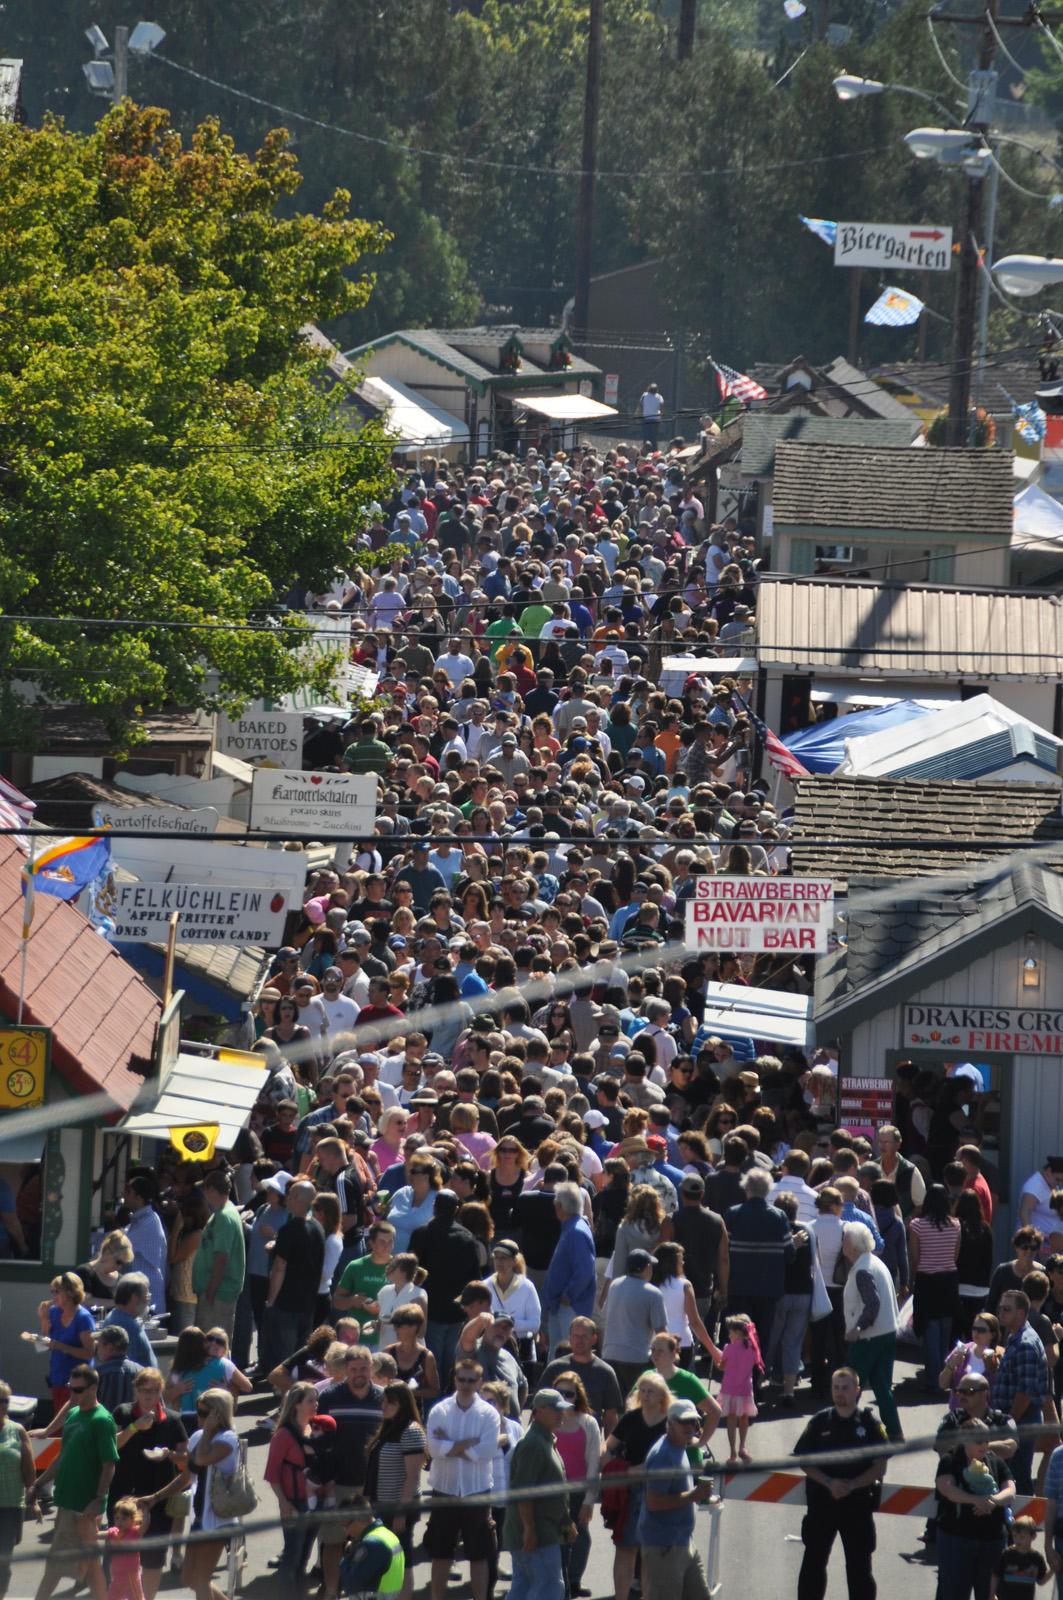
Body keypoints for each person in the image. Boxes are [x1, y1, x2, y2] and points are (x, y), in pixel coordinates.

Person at [794, 1367, 888, 1600]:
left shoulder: (870, 1424)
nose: (840, 1393)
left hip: (857, 1506)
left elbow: (880, 1466)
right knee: (813, 1565)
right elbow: (804, 1461)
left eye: (845, 1388)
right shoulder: (819, 1422)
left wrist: (852, 1485)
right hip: (822, 1504)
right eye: (836, 1387)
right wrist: (829, 1482)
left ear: (857, 1391)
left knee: (859, 1570)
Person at [29, 1364, 119, 1600]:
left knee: (55, 1567)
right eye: (70, 1388)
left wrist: (98, 1500)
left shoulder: (102, 1420)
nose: (72, 1394)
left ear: (92, 1388)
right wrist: (38, 1485)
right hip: (66, 1502)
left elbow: (109, 1463)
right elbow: (63, 1455)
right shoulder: (72, 1414)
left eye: (77, 1390)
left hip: (83, 1508)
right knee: (91, 1568)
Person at [111, 1367, 189, 1600]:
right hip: (124, 1495)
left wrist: (170, 1454)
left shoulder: (172, 1419)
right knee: (120, 1555)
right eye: (144, 1390)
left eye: (154, 1390)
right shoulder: (123, 1413)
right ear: (136, 1390)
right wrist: (135, 1428)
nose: (148, 1395)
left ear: (161, 1392)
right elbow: (112, 1445)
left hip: (158, 1498)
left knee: (153, 1556)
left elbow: (185, 1457)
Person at [425, 1358, 499, 1600]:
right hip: (444, 1490)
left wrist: (449, 1443)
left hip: (476, 1492)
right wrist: (467, 1444)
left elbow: (485, 1454)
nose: (466, 1385)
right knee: (441, 1553)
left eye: (471, 1380)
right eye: (462, 1379)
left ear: (479, 1382)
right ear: (455, 1380)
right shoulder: (439, 1410)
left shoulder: (489, 1414)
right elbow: (434, 1451)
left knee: (478, 1554)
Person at [316, 1346, 384, 1600]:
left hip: (372, 1483)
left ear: (371, 1368)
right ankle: (332, 1592)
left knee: (369, 1544)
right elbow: (320, 1441)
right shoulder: (329, 1398)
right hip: (338, 1482)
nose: (358, 1373)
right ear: (345, 1370)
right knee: (333, 1541)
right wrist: (326, 1479)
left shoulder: (383, 1398)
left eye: (363, 1368)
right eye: (353, 1369)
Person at [602, 1372, 670, 1600]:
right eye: (642, 1390)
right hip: (630, 1493)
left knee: (650, 1553)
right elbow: (608, 1446)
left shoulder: (671, 1422)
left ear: (662, 1395)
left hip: (658, 1492)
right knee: (625, 1548)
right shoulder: (631, 1418)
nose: (646, 1395)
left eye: (651, 1391)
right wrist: (611, 1466)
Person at [501, 1389, 573, 1600]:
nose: (561, 1413)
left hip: (543, 1530)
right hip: (537, 1535)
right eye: (555, 1409)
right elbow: (523, 1492)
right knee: (550, 1588)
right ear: (539, 1411)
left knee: (522, 1590)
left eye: (563, 1409)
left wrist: (566, 1524)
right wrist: (530, 1531)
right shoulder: (533, 1443)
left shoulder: (544, 1439)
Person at [638, 1398, 713, 1600]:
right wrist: (693, 1496)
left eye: (694, 1422)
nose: (690, 1426)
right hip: (664, 1546)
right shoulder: (663, 1455)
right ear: (670, 1423)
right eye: (684, 1422)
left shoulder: (679, 1447)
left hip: (683, 1542)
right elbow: (653, 1502)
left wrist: (696, 1496)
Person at [935, 1417, 1015, 1600]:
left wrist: (992, 1500)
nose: (984, 1445)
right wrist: (975, 1500)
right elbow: (947, 1488)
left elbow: (1010, 1490)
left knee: (988, 1594)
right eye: (979, 1441)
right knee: (954, 1593)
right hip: (956, 1540)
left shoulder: (994, 1461)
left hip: (992, 1541)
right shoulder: (950, 1460)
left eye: (987, 1440)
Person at [363, 1380, 426, 1600]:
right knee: (386, 1559)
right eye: (383, 1402)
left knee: (402, 1558)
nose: (384, 1406)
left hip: (398, 1507)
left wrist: (401, 1511)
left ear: (404, 1405)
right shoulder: (388, 1428)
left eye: (391, 1403)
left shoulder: (410, 1431)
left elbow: (413, 1476)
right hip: (380, 1506)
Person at [724, 1168, 795, 1362]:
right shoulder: (779, 1216)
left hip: (738, 1288)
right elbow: (790, 1255)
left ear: (746, 1188)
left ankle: (737, 1378)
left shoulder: (733, 1214)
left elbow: (723, 1253)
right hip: (768, 1290)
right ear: (768, 1190)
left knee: (738, 1336)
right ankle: (756, 1381)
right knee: (761, 1338)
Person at [841, 1221, 903, 1442]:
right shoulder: (875, 1262)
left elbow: (872, 1303)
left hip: (868, 1337)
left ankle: (843, 1429)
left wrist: (858, 1327)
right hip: (887, 1332)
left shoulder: (862, 1270)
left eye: (845, 1239)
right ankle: (895, 1431)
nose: (842, 1243)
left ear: (854, 1245)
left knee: (848, 1384)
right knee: (881, 1385)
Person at [259, 1177, 326, 1375]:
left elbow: (279, 1267)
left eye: (290, 1195)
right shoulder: (318, 1228)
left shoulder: (289, 1230)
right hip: (308, 1304)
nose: (287, 1199)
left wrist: (271, 1301)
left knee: (285, 1358)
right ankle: (297, 1395)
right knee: (301, 1356)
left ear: (296, 1197)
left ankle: (286, 1396)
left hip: (287, 1304)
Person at [550, 1372, 601, 1600]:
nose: (563, 1397)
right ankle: (557, 1583)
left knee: (579, 1537)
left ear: (577, 1396)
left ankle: (573, 1581)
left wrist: (589, 1501)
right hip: (551, 1492)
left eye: (568, 1394)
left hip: (578, 1492)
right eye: (559, 1392)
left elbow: (593, 1463)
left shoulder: (588, 1423)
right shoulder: (545, 1419)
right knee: (553, 1539)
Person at [264, 1381, 320, 1587]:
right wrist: (285, 1504)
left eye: (316, 1400)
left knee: (305, 1553)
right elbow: (272, 1474)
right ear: (296, 1404)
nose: (316, 1404)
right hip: (295, 1502)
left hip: (315, 1500)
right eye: (310, 1401)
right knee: (293, 1554)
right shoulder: (283, 1435)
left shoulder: (313, 1428)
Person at [995, 1291, 1049, 1496]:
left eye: (1006, 1309)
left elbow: (1025, 1393)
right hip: (1018, 1418)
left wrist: (1009, 1422)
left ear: (1021, 1313)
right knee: (1010, 1475)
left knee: (1018, 1479)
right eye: (1000, 1307)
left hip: (1022, 1419)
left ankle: (1025, 1525)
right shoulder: (1014, 1336)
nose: (1001, 1312)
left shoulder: (1025, 1343)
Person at [909, 1183, 962, 1393]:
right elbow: (955, 1256)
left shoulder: (916, 1225)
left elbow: (915, 1259)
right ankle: (945, 1378)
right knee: (945, 1331)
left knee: (930, 1331)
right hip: (949, 1280)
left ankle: (933, 1380)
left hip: (927, 1280)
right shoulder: (955, 1225)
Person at [536, 1317, 623, 1436]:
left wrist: (608, 1449)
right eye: (576, 1336)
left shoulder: (606, 1372)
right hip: (555, 1440)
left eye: (584, 1336)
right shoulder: (554, 1368)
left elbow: (611, 1417)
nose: (579, 1341)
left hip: (590, 1442)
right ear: (570, 1339)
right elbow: (538, 1408)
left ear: (594, 1339)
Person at [602, 1248, 669, 1399]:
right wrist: (670, 1354)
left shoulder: (614, 1285)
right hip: (637, 1358)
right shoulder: (653, 1293)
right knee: (639, 1406)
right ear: (647, 1268)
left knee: (616, 1407)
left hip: (610, 1354)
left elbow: (605, 1313)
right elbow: (661, 1331)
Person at [541, 1181, 596, 1351]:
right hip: (562, 1304)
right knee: (558, 1353)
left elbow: (585, 1270)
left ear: (559, 1206)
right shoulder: (572, 1227)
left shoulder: (576, 1231)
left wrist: (569, 1295)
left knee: (569, 1353)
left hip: (571, 1306)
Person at [191, 1172, 245, 1341]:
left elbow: (222, 1257)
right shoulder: (222, 1212)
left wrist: (211, 1292)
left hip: (218, 1295)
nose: (203, 1194)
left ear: (211, 1189)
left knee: (213, 1347)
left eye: (204, 1189)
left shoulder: (224, 1216)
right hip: (216, 1293)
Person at [0, 1381, 40, 1600]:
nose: (3, 1405)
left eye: (6, 1400)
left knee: (3, 1559)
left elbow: (29, 1469)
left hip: (10, 1506)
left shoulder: (18, 1430)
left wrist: (32, 1501)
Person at [37, 1272, 97, 1413]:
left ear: (71, 1292)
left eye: (58, 1291)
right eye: (52, 1291)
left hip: (78, 1383)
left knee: (72, 1423)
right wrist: (44, 1319)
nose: (53, 1295)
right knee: (60, 1424)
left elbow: (89, 1353)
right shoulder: (54, 1312)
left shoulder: (83, 1318)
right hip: (58, 1378)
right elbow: (44, 1345)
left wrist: (63, 1347)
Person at [714, 1314, 761, 1466]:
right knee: (744, 1418)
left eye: (731, 1331)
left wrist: (717, 1363)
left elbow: (722, 1366)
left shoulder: (729, 1348)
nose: (729, 1335)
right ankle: (742, 1447)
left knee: (731, 1419)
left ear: (739, 1332)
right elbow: (754, 1363)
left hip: (729, 1389)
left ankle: (733, 1453)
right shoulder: (753, 1349)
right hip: (745, 1389)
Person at [120, 1178, 168, 1311]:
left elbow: (116, 1248)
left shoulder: (147, 1223)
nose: (124, 1194)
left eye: (128, 1192)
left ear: (139, 1198)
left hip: (148, 1305)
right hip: (141, 1301)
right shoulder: (142, 1219)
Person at [988, 1516, 1048, 1600]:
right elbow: (996, 1575)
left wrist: (1053, 1570)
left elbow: (1040, 1581)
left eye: (1022, 1537)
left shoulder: (1036, 1558)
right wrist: (992, 1595)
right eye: (1015, 1536)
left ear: (1033, 1536)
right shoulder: (1007, 1555)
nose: (1017, 1540)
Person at [104, 1277, 155, 1369]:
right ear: (134, 1297)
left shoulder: (115, 1315)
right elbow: (127, 1367)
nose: (148, 1299)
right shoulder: (126, 1325)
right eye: (146, 1295)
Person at [105, 1498, 145, 1600]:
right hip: (117, 1576)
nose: (119, 1522)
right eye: (117, 1518)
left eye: (124, 1519)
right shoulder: (114, 1532)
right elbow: (97, 1535)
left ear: (132, 1520)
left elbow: (145, 1526)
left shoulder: (134, 1532)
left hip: (130, 1575)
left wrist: (147, 1511)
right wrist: (92, 1521)